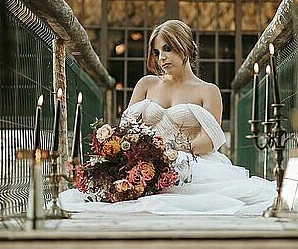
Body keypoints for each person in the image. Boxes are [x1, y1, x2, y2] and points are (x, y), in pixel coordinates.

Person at [59, 20, 276, 215]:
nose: (161, 57)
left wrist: (166, 154)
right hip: (143, 161)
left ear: (186, 49)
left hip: (191, 162)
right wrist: (141, 155)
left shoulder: (208, 91)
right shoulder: (146, 84)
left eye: (168, 49)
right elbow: (127, 130)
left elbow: (210, 140)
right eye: (156, 52)